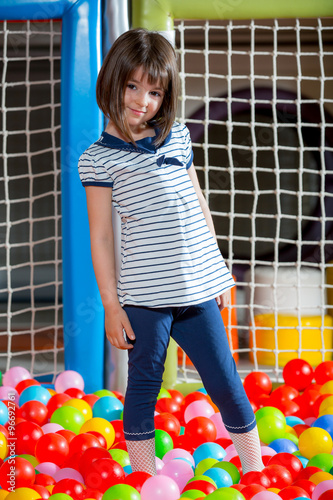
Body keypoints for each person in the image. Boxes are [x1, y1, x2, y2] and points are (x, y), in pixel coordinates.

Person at [78, 28, 264, 476]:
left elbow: (198, 203)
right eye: (132, 86)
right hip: (145, 297)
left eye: (155, 91)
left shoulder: (178, 137)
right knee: (143, 386)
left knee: (225, 382)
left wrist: (217, 269)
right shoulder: (99, 159)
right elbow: (101, 237)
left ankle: (256, 470)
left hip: (197, 290)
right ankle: (143, 474)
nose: (142, 100)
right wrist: (111, 305)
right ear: (113, 82)